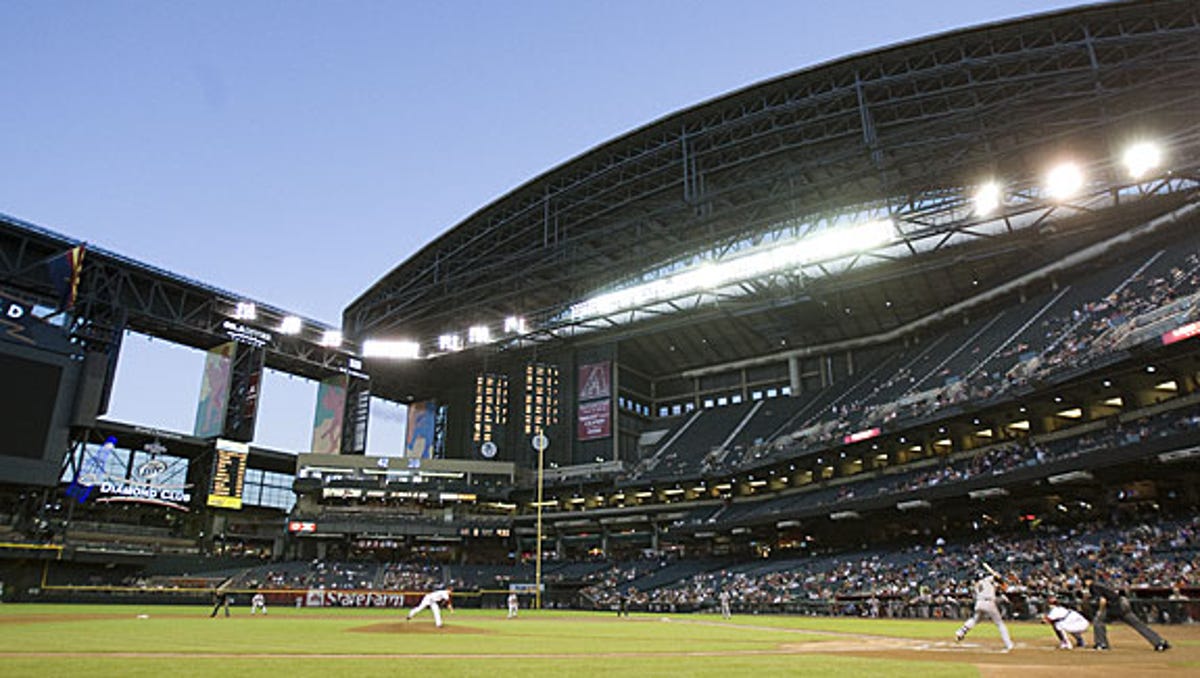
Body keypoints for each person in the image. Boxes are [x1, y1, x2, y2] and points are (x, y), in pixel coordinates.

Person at [1084, 574, 1169, 651]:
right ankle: (1159, 642)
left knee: (1098, 621)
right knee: (1138, 624)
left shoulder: (1093, 586)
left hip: (1114, 607)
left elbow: (1103, 600)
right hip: (1123, 604)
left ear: (1088, 581)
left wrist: (1100, 612)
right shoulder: (1101, 584)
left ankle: (1102, 644)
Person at [955, 570, 1014, 652]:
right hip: (989, 603)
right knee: (1000, 624)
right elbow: (999, 579)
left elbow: (999, 583)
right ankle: (1009, 644)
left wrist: (998, 578)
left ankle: (960, 632)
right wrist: (997, 575)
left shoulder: (976, 585)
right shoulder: (988, 579)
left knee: (975, 619)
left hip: (979, 603)